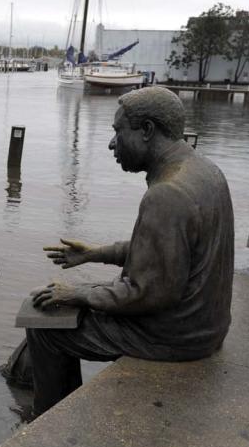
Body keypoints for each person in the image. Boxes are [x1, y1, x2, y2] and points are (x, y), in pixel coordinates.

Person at [27, 86, 234, 415]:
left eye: (117, 132)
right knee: (58, 298)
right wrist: (96, 254)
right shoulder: (205, 171)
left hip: (173, 335)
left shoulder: (167, 194)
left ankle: (49, 416)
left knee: (42, 324)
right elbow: (168, 257)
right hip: (207, 324)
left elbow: (145, 294)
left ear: (147, 130)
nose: (112, 143)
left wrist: (78, 294)